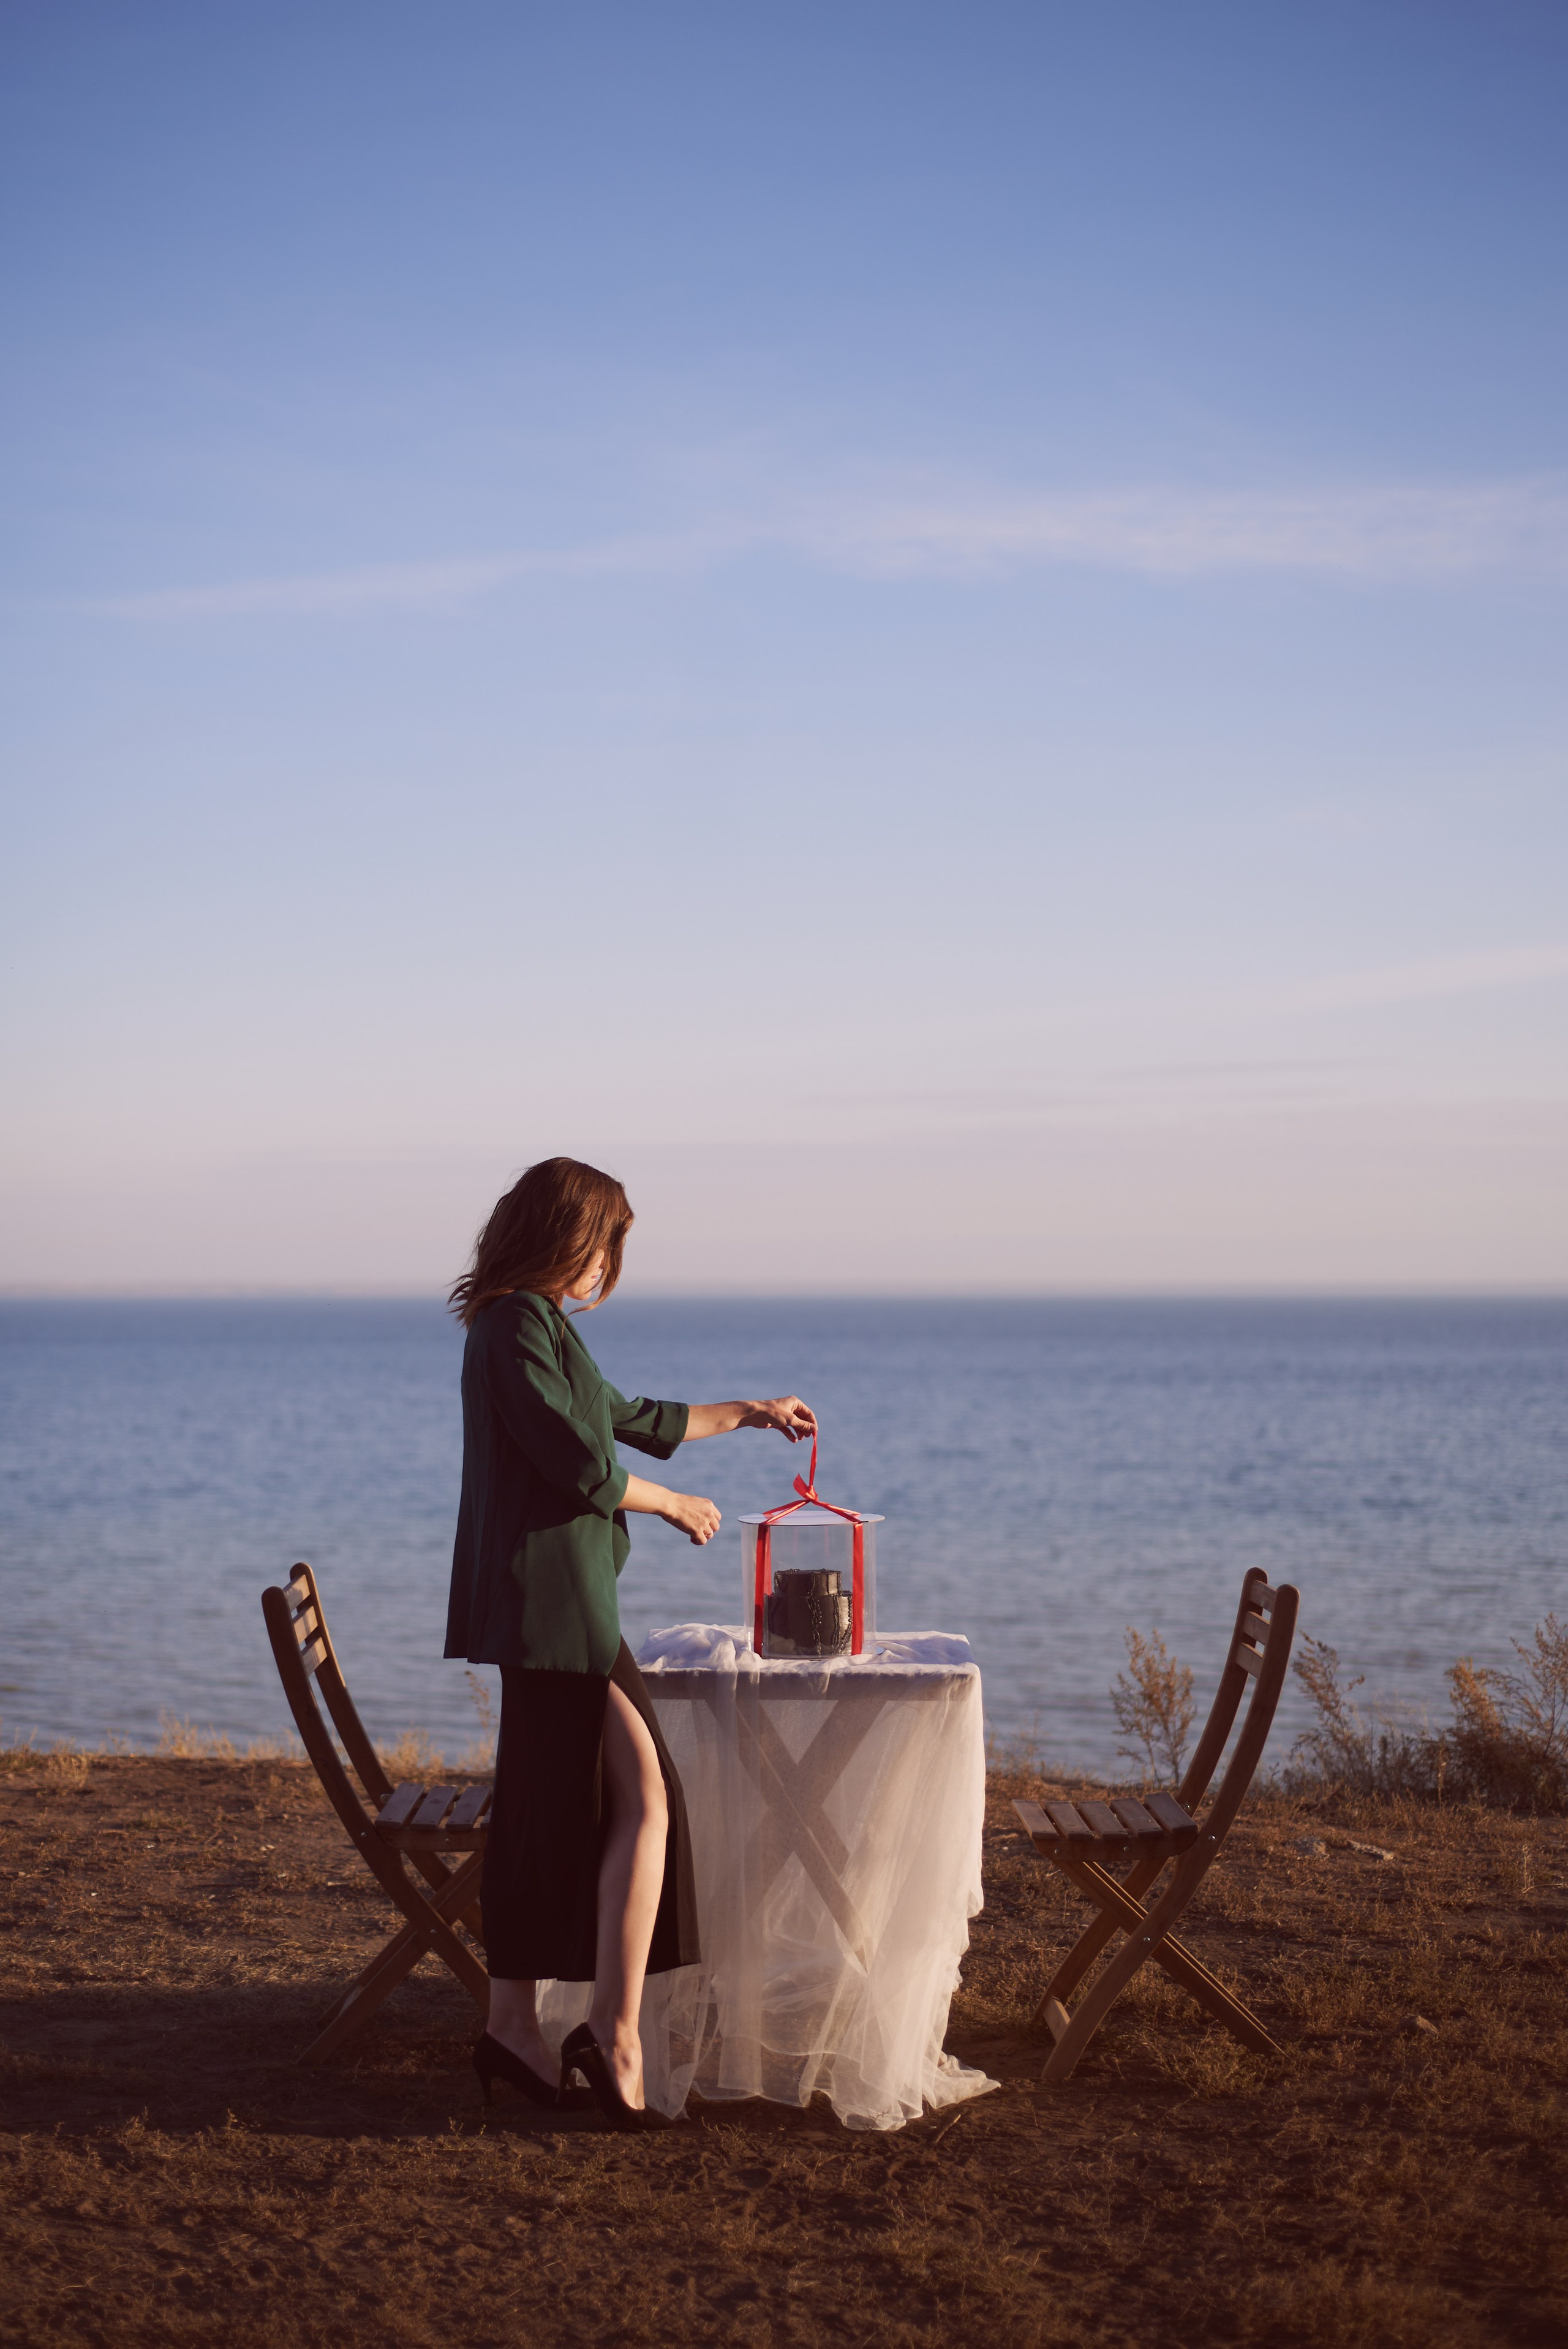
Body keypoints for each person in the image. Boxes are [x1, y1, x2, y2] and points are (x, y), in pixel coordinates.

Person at [445, 1156, 814, 2130]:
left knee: (573, 1808)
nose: (609, 1264)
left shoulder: (540, 1327)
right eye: (605, 1242)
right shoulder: (513, 1327)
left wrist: (749, 1411)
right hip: (550, 1610)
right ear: (566, 1233)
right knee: (636, 1800)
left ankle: (532, 2028)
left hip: (570, 1607)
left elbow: (628, 1420)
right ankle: (603, 2036)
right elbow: (581, 1462)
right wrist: (673, 1504)